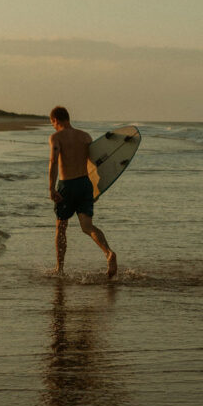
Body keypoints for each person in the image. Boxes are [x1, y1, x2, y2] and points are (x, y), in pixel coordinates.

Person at [48, 106, 117, 278]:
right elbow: (96, 165)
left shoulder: (56, 137)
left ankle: (59, 268)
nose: (53, 127)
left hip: (67, 185)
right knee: (87, 226)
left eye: (52, 123)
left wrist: (51, 188)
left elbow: (53, 162)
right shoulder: (85, 136)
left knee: (61, 227)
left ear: (56, 120)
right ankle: (108, 252)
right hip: (86, 184)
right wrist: (96, 190)